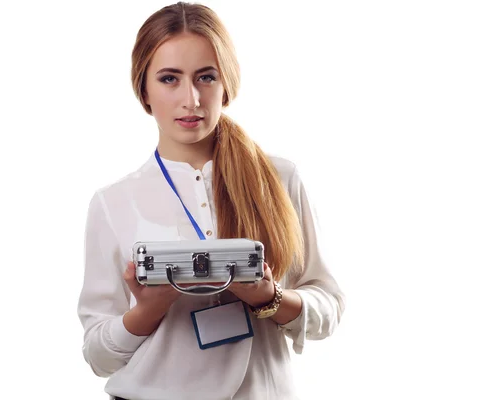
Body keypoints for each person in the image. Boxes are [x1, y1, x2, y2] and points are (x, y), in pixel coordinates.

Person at [77, 2, 345, 399]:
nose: (191, 99)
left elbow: (328, 307)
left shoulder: (281, 178)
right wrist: (148, 310)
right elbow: (99, 355)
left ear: (227, 84)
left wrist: (269, 298)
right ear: (144, 90)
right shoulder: (113, 202)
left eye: (206, 77)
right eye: (169, 79)